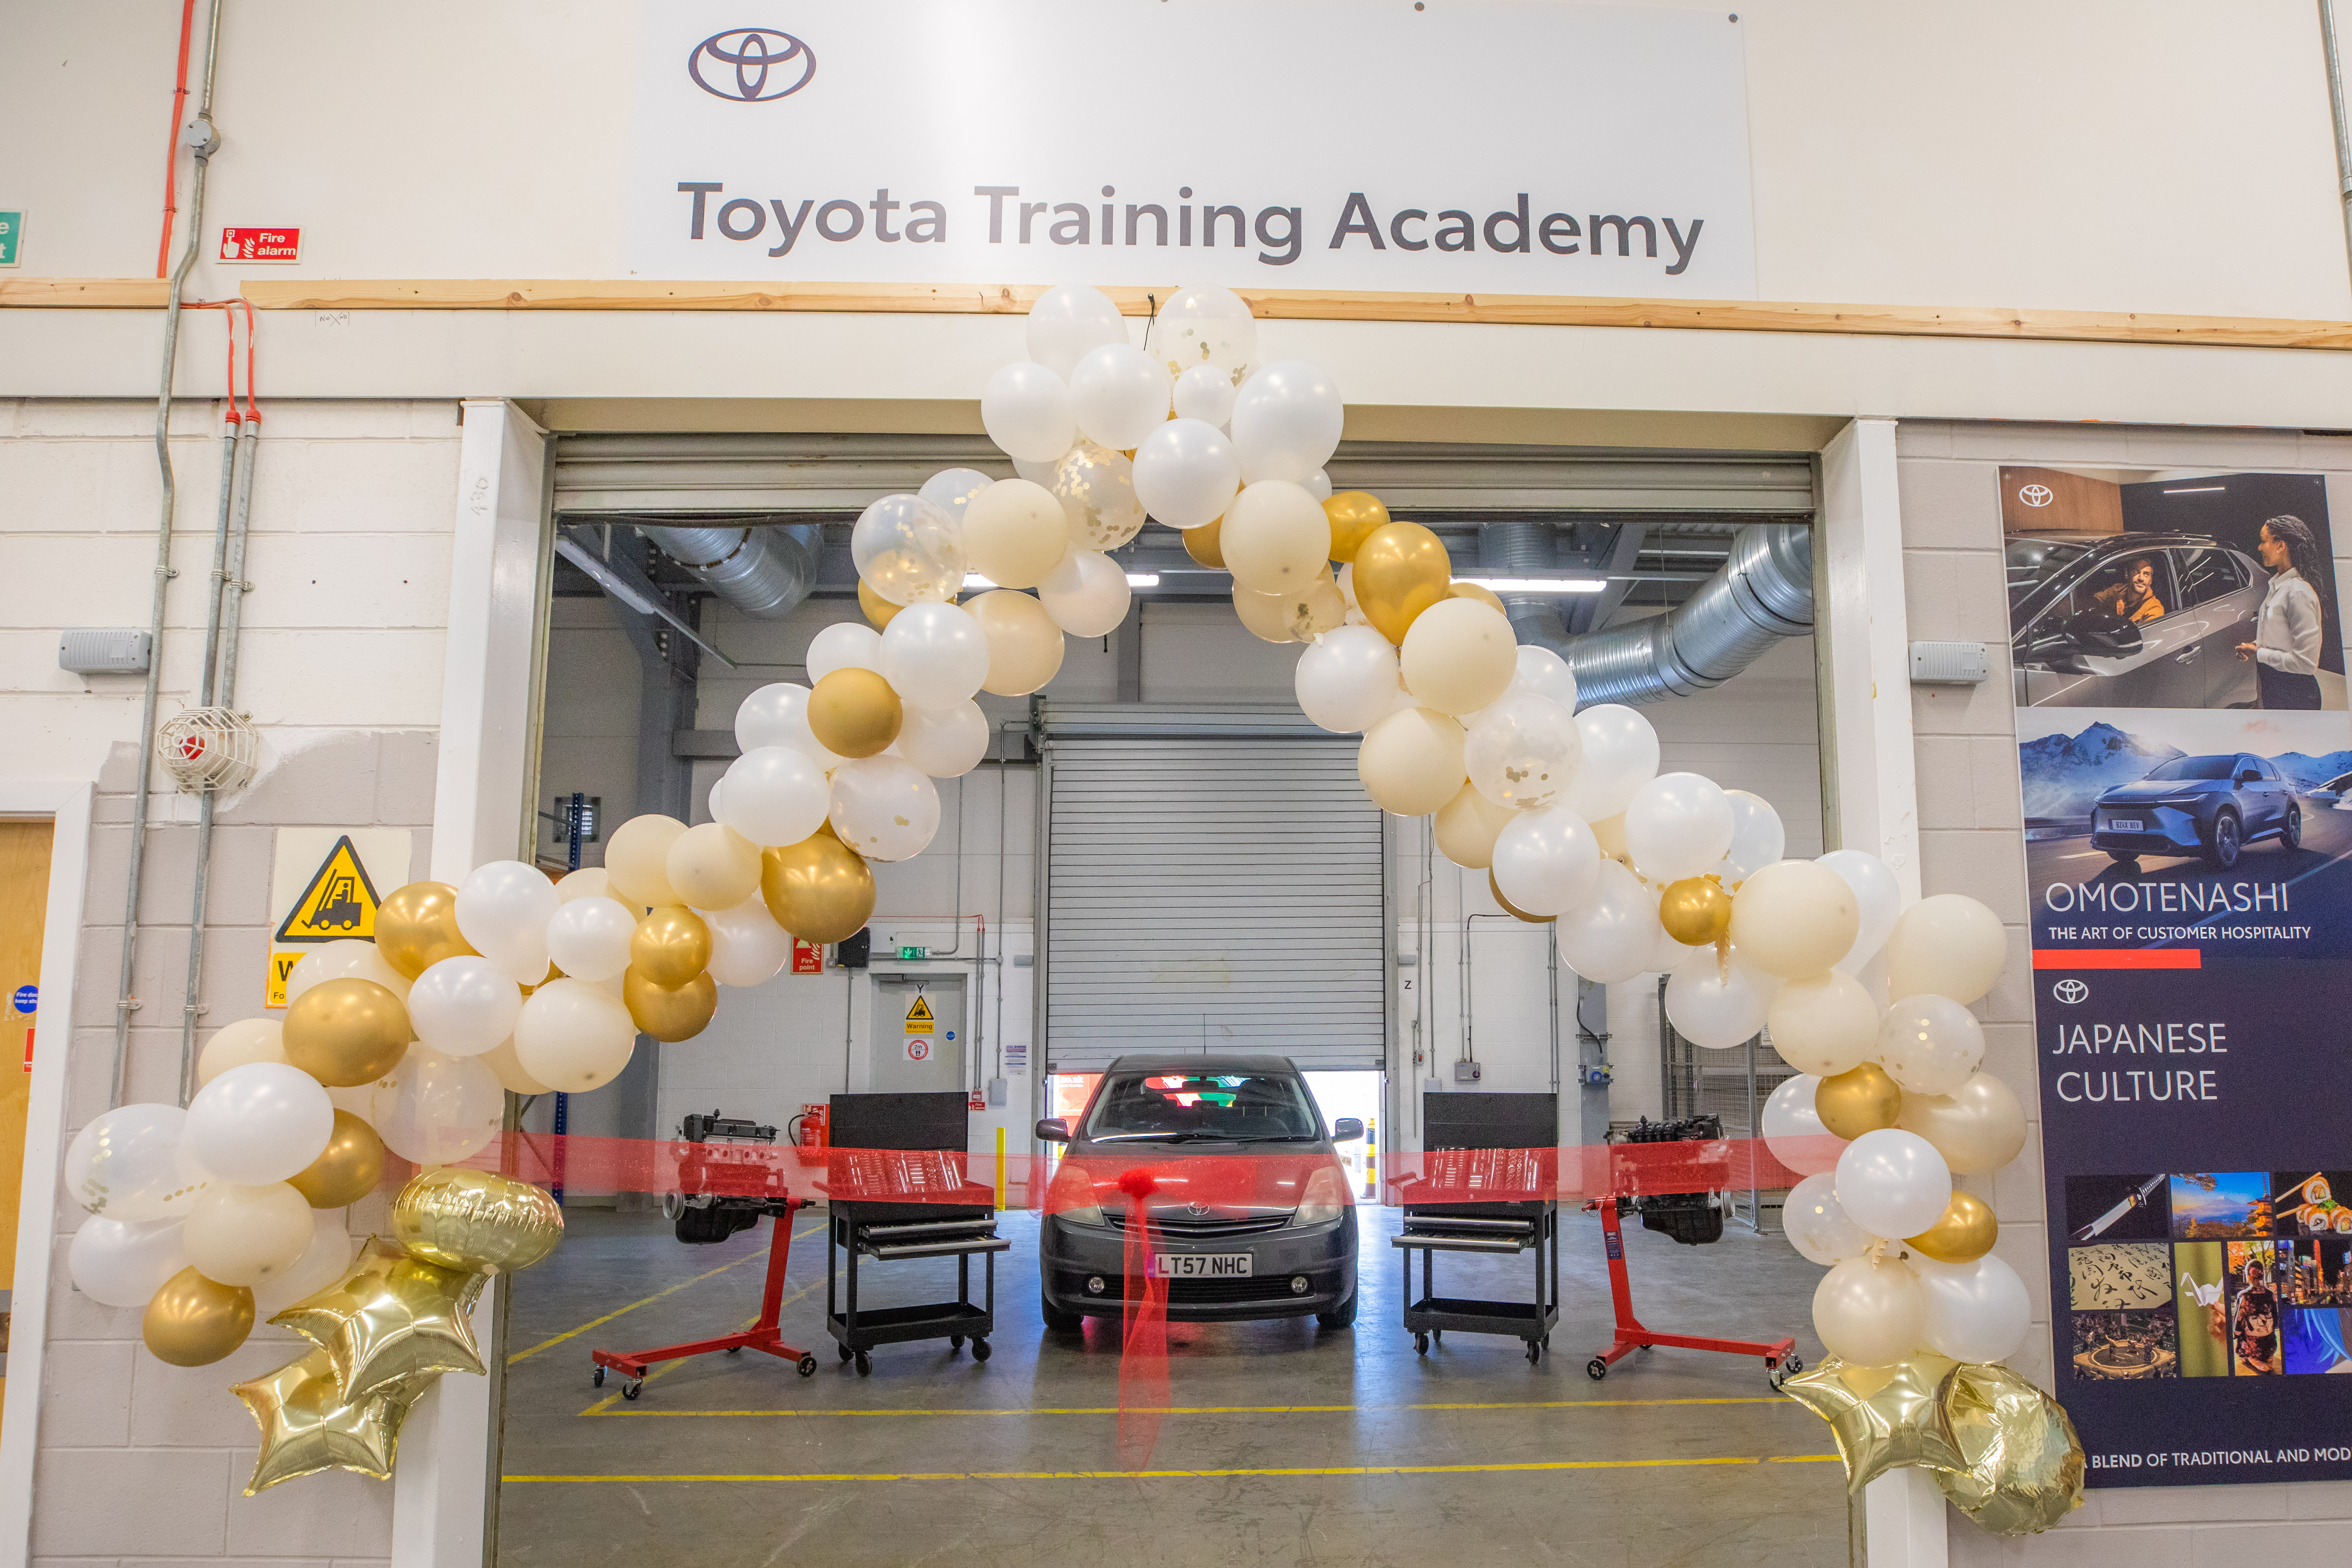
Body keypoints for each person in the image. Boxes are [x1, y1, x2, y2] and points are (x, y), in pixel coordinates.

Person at [2235, 514, 2327, 710]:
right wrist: (2254, 646)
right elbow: (2281, 638)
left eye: (2263, 541)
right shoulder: (2279, 586)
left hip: (2295, 696)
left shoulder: (2299, 593)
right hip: (2277, 688)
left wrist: (2259, 653)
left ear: (2281, 546)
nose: (2260, 548)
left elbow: (2307, 663)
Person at [2090, 556, 2167, 624]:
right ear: (2127, 575)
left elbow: (2145, 637)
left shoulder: (2154, 608)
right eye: (2136, 572)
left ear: (2151, 581)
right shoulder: (2117, 590)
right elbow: (2091, 602)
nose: (2141, 578)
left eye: (2146, 574)